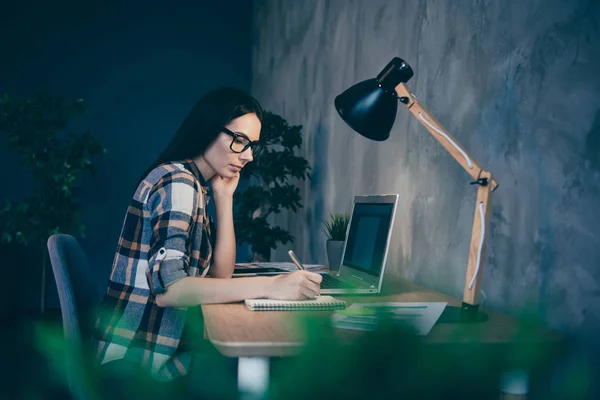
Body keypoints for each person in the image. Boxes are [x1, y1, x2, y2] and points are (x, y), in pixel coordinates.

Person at [93, 87, 322, 395]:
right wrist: (273, 286)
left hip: (160, 355)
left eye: (253, 145)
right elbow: (171, 291)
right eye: (240, 140)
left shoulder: (195, 185)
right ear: (209, 129)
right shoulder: (178, 182)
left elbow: (219, 276)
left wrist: (224, 198)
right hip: (136, 368)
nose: (249, 155)